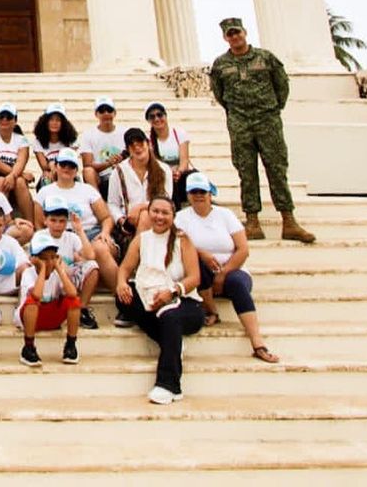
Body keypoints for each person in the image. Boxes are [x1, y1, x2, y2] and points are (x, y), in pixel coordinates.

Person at [209, 17, 316, 243]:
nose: (235, 37)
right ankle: (252, 222)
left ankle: (289, 220)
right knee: (246, 172)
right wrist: (237, 113)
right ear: (225, 37)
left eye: (237, 32)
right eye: (230, 34)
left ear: (245, 32)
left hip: (267, 120)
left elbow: (282, 86)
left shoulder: (266, 58)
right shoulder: (220, 64)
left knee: (276, 170)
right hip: (239, 122)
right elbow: (220, 95)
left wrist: (272, 109)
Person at [175, 172, 279, 362]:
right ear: (188, 194)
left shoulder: (225, 215)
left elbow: (243, 249)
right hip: (200, 274)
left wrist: (223, 273)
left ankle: (257, 342)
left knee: (238, 283)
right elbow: (178, 247)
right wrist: (202, 253)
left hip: (231, 269)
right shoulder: (181, 218)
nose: (198, 195)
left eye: (202, 191)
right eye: (194, 191)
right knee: (198, 262)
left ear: (210, 193)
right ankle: (211, 310)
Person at [116, 195, 205, 404]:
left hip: (183, 302)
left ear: (172, 216)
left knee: (169, 317)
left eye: (165, 213)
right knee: (124, 299)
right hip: (149, 296)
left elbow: (194, 278)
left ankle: (169, 385)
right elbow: (126, 268)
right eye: (155, 211)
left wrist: (171, 292)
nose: (159, 216)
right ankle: (172, 343)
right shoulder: (142, 238)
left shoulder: (183, 240)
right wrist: (121, 283)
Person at [35, 148, 120, 295]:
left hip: (89, 233)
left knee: (99, 248)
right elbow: (39, 224)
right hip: (58, 235)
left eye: (71, 166)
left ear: (76, 169)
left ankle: (122, 297)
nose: (67, 169)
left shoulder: (88, 190)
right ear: (56, 166)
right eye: (63, 165)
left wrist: (105, 232)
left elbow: (106, 217)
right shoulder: (44, 192)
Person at [16, 230, 82, 366]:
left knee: (74, 301)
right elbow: (37, 295)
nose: (49, 262)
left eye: (52, 257)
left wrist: (58, 268)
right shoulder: (28, 273)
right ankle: (28, 347)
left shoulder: (57, 273)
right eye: (44, 258)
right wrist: (41, 269)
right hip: (31, 318)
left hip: (51, 316)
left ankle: (70, 345)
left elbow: (72, 293)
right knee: (32, 302)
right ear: (34, 259)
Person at [38, 194, 101, 328]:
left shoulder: (71, 236)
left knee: (93, 266)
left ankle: (81, 309)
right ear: (45, 220)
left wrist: (80, 230)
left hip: (67, 279)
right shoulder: (40, 236)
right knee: (57, 264)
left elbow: (90, 255)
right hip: (49, 278)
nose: (57, 225)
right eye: (53, 220)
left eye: (62, 221)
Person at [107, 127, 173, 232]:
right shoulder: (119, 172)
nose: (137, 148)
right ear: (128, 149)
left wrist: (140, 208)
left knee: (144, 215)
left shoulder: (164, 169)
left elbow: (166, 200)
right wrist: (121, 220)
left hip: (158, 218)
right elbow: (112, 203)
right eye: (132, 145)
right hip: (129, 223)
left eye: (140, 143)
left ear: (148, 144)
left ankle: (138, 247)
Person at [0, 102, 35, 219]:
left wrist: (13, 176)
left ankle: (31, 223)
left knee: (20, 182)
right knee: (2, 181)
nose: (4, 119)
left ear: (15, 121)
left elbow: (21, 161)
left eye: (8, 117)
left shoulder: (21, 139)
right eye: (1, 117)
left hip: (13, 177)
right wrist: (16, 174)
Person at [145, 102, 193, 207]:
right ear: (149, 121)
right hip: (162, 174)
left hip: (181, 173)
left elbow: (184, 160)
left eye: (159, 115)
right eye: (152, 117)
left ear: (165, 116)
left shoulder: (179, 133)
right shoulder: (148, 139)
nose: (157, 119)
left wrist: (178, 172)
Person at [80, 96, 123, 193]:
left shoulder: (125, 132)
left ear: (115, 113)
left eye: (109, 110)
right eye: (102, 111)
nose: (106, 113)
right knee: (88, 171)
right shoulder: (88, 135)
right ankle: (98, 202)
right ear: (96, 114)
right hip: (100, 177)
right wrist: (109, 163)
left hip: (122, 173)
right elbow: (87, 164)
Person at [31, 103, 78, 184]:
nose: (54, 123)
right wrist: (51, 165)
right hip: (49, 174)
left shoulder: (71, 140)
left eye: (58, 120)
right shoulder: (38, 142)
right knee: (46, 179)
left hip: (68, 173)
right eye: (51, 119)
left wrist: (54, 166)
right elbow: (44, 166)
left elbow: (71, 163)